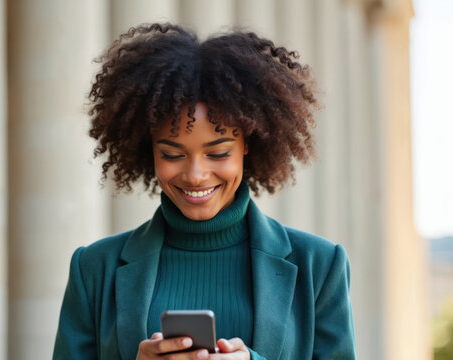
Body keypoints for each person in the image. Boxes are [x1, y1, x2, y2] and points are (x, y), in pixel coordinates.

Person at [53, 23, 356, 360]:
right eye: (172, 154)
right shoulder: (94, 268)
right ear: (146, 149)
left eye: (218, 153)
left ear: (248, 146)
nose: (195, 175)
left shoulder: (319, 265)